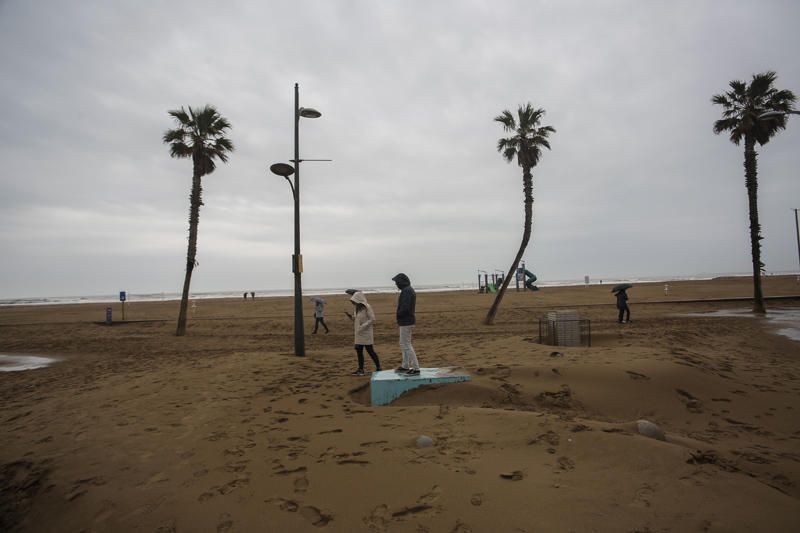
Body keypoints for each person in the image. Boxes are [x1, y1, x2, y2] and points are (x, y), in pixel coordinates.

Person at [392, 273, 419, 376]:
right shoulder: (407, 290)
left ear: (401, 282)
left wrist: (399, 314)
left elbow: (405, 307)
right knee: (404, 344)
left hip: (406, 321)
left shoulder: (407, 291)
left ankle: (415, 368)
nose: (396, 284)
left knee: (406, 344)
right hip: (407, 320)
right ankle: (405, 365)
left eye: (396, 282)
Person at [348, 291, 381, 376]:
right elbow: (356, 319)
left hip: (366, 333)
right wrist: (351, 317)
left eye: (354, 301)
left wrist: (363, 326)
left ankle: (378, 367)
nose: (353, 303)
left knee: (370, 351)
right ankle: (360, 369)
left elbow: (372, 319)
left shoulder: (367, 307)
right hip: (358, 334)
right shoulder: (357, 308)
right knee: (359, 351)